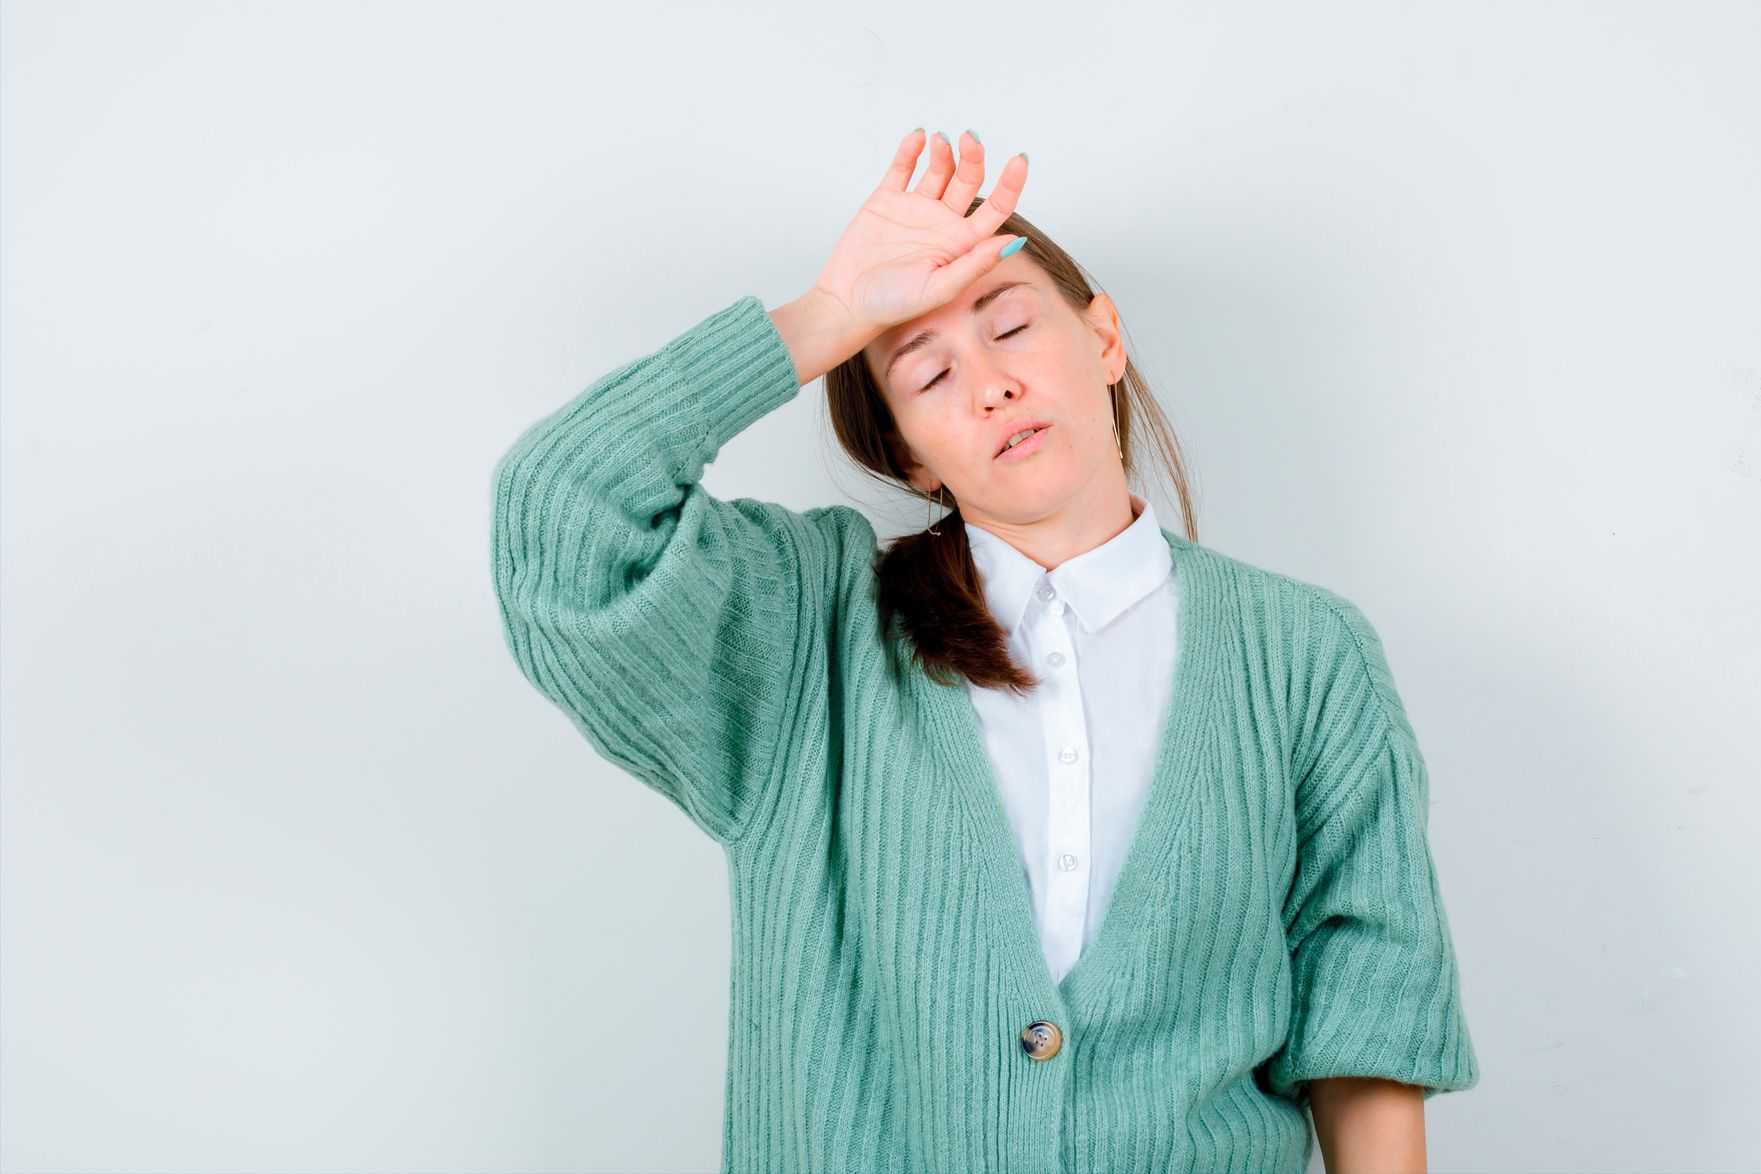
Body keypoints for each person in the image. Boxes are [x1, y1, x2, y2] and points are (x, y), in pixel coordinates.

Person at [489, 127, 1480, 1174]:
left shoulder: (1304, 654)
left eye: (1010, 326)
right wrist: (827, 317)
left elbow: (1365, 1021)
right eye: (927, 373)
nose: (991, 385)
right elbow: (563, 514)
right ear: (909, 454)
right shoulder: (805, 634)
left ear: (1104, 340)